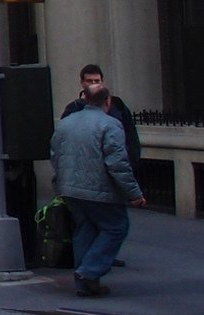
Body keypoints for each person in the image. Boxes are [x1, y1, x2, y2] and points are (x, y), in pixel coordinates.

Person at [48, 86, 146, 297]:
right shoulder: (110, 125)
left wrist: (60, 183)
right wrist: (134, 193)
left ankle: (85, 281)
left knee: (85, 229)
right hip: (98, 190)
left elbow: (55, 155)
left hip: (69, 188)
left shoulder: (66, 123)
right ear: (107, 101)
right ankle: (88, 271)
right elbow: (118, 164)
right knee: (116, 227)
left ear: (85, 99)